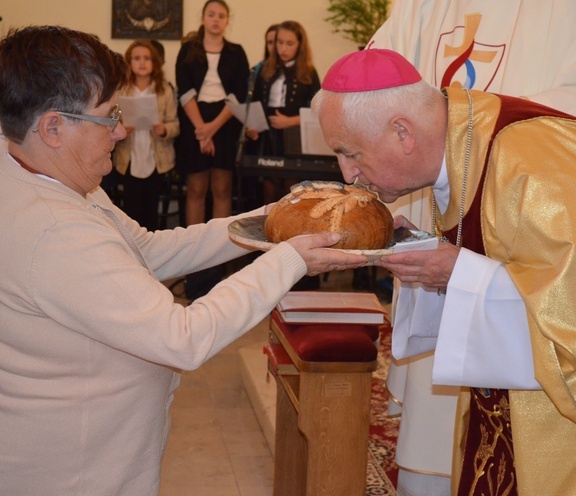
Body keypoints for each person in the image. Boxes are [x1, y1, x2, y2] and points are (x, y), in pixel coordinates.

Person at [312, 48, 576, 496]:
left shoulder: (533, 161)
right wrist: (431, 257)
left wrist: (458, 273)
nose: (348, 174)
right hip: (522, 401)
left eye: (351, 153)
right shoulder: (463, 145)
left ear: (403, 131)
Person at [0, 25, 367, 495]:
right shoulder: (52, 230)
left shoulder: (56, 178)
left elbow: (148, 251)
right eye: (107, 115)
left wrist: (274, 218)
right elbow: (182, 338)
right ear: (52, 127)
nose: (119, 130)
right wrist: (290, 261)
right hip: (75, 467)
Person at [366, 1, 576, 492]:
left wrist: (465, 127)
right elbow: (376, 81)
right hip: (446, 226)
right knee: (441, 448)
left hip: (539, 245)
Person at [175, 0, 249, 226]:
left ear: (227, 21)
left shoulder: (236, 52)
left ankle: (218, 249)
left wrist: (212, 128)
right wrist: (202, 130)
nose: (216, 19)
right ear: (203, 18)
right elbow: (185, 92)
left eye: (221, 16)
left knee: (222, 187)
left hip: (225, 121)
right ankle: (194, 249)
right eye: (211, 14)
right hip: (193, 120)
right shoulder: (188, 49)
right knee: (196, 187)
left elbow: (238, 94)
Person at [246, 20, 321, 204]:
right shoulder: (265, 69)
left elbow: (317, 109)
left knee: (292, 189)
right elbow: (255, 103)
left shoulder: (309, 72)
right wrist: (253, 126)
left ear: (300, 45)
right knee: (268, 188)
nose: (283, 48)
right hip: (268, 138)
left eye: (289, 43)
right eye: (279, 42)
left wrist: (290, 121)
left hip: (294, 137)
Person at [114, 39, 180, 231]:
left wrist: (164, 130)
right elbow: (110, 120)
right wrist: (120, 128)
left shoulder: (164, 90)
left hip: (156, 157)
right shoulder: (121, 90)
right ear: (129, 63)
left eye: (146, 58)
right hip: (129, 156)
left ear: (155, 63)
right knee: (132, 207)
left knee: (151, 208)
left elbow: (175, 123)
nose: (142, 63)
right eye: (136, 58)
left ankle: (152, 250)